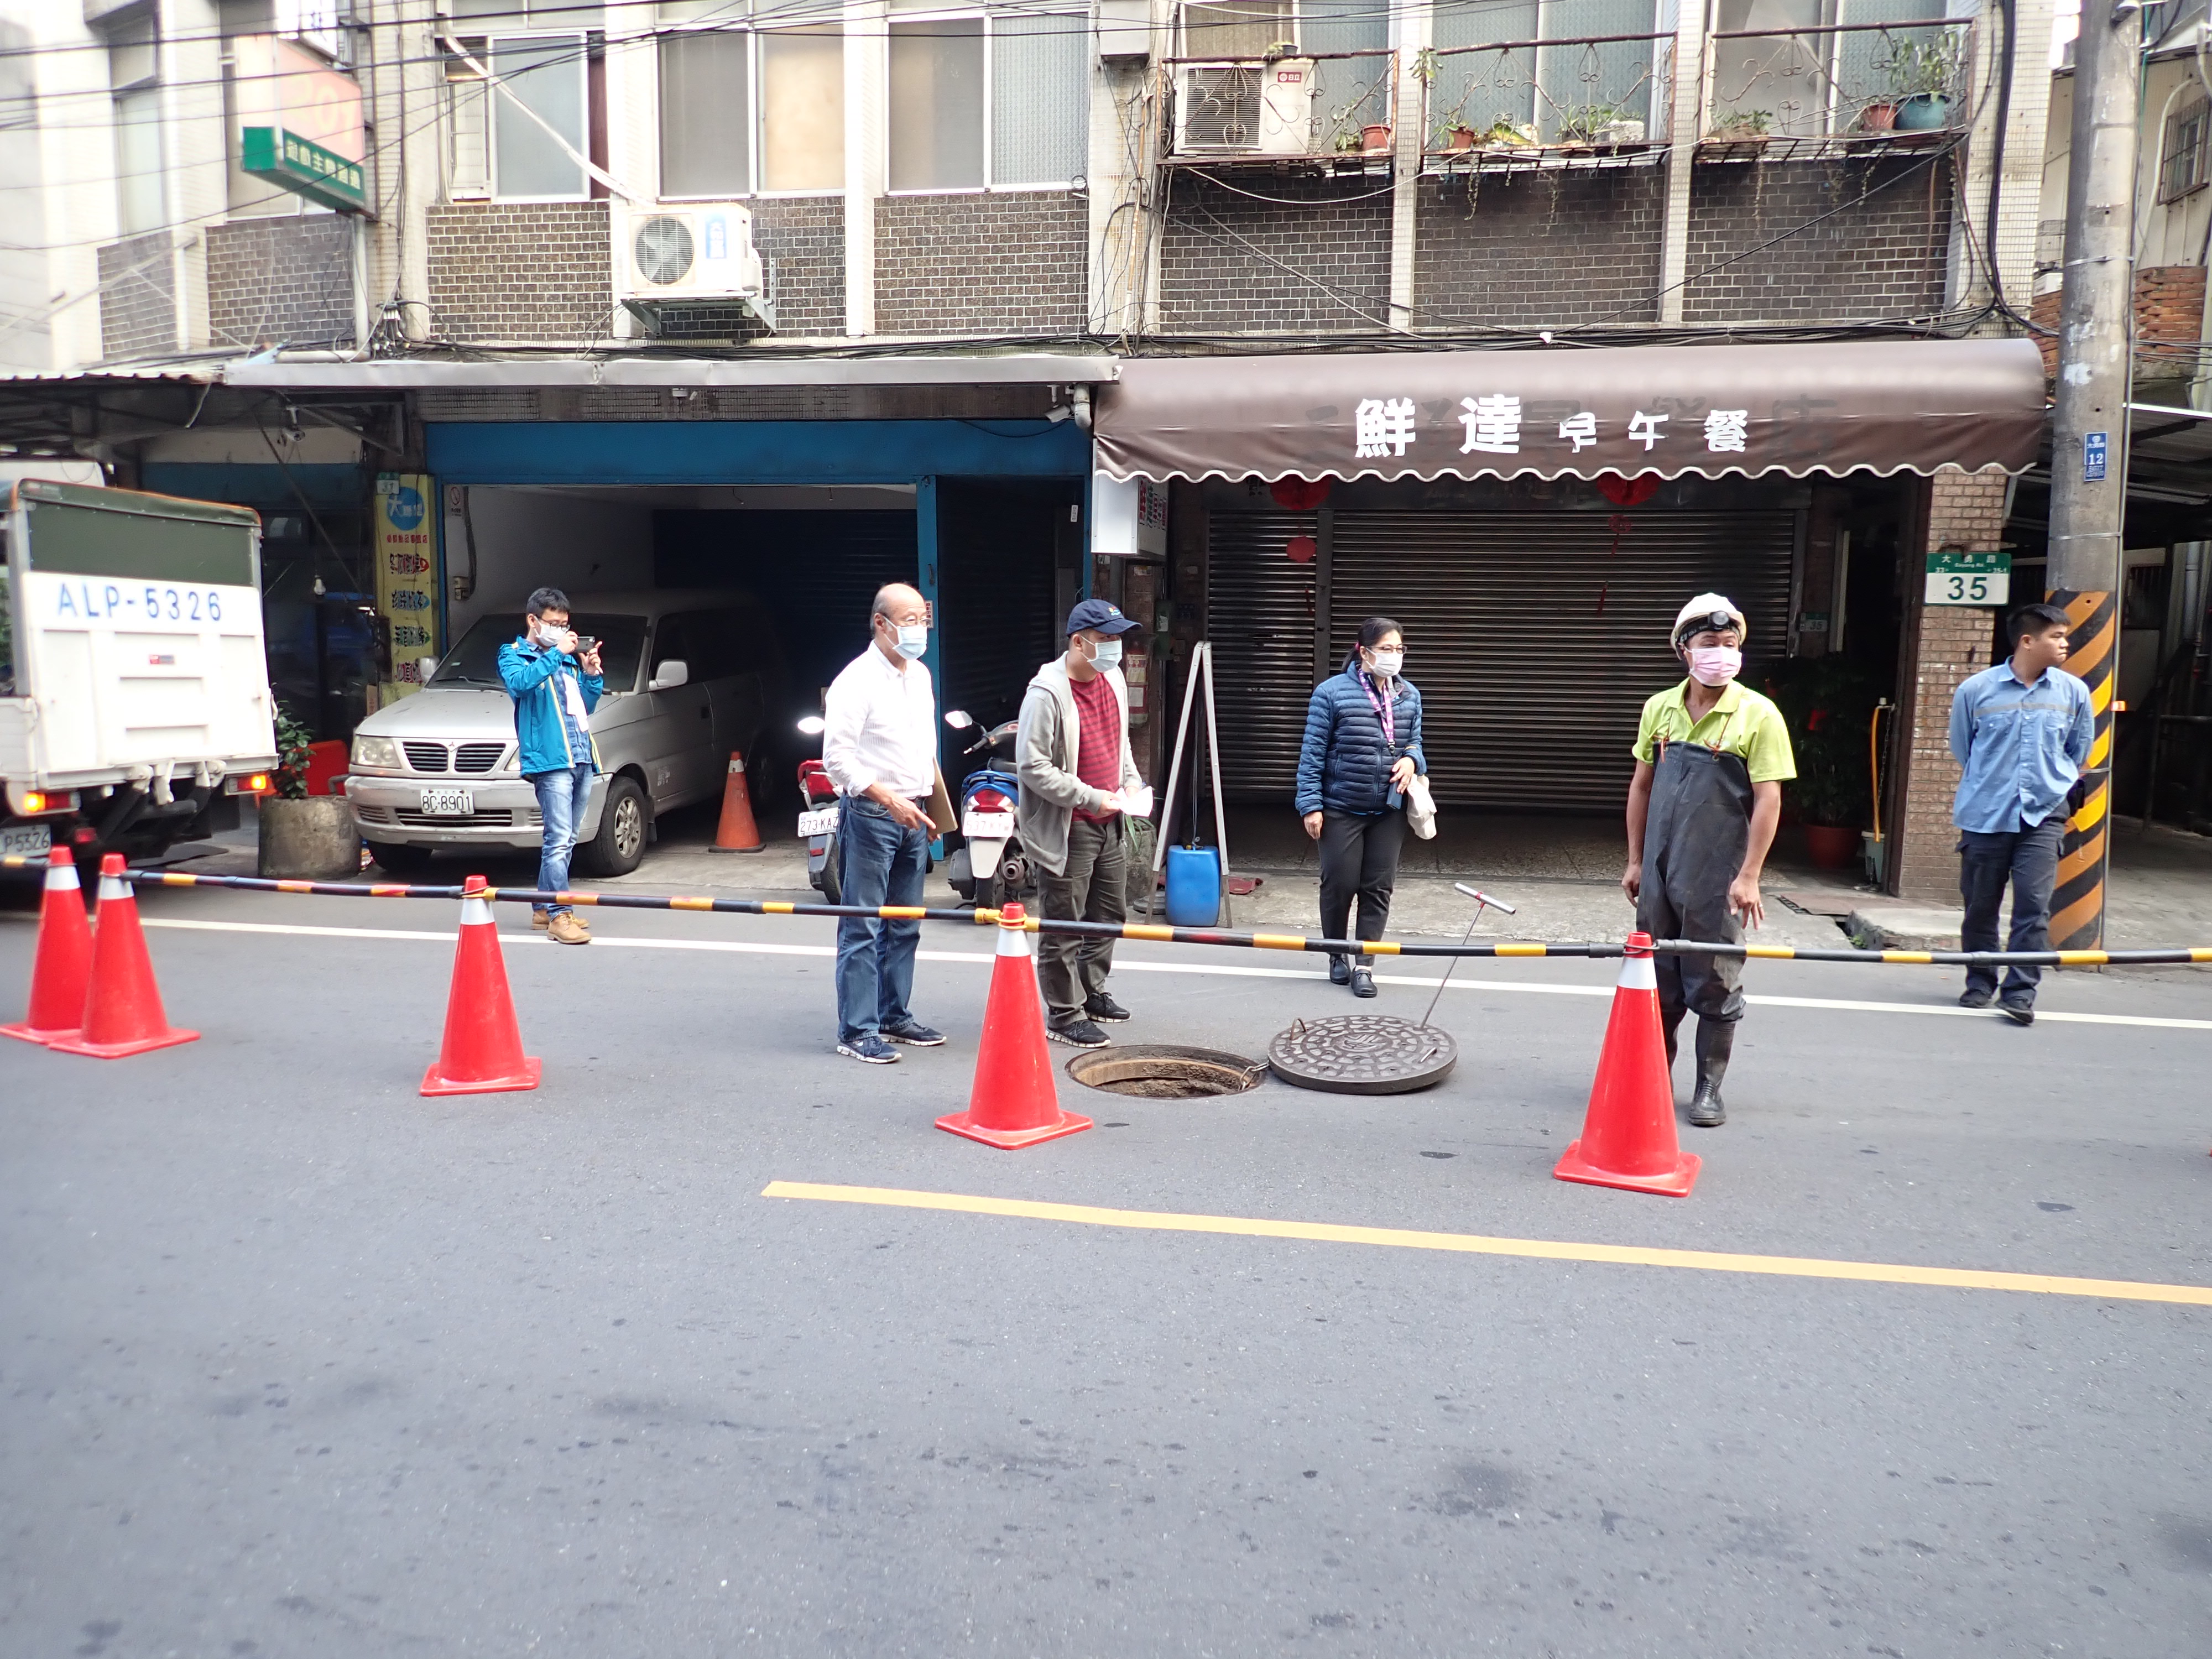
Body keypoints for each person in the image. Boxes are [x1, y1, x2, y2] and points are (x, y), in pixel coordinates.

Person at [1621, 594, 1796, 1129]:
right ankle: (1653, 1081)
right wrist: (1633, 860)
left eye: (1729, 644)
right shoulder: (1660, 708)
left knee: (1716, 981)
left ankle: (1708, 1088)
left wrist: (1750, 876)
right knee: (1658, 981)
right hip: (1658, 871)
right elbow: (1642, 785)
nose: (1721, 653)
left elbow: (1769, 798)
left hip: (1717, 874)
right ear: (1683, 650)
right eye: (1708, 644)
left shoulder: (1757, 713)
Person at [1947, 601, 2094, 1026]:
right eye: (2057, 636)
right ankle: (1980, 982)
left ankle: (2020, 992)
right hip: (1985, 813)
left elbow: (2078, 753)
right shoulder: (1976, 691)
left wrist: (2051, 786)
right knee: (1980, 906)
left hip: (2044, 814)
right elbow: (1964, 748)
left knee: (2033, 903)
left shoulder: (2074, 694)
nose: (2065, 643)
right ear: (2028, 641)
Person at [821, 583, 947, 1064]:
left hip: (914, 811)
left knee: (906, 924)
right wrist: (887, 797)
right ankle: (856, 1029)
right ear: (881, 623)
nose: (919, 629)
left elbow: (921, 750)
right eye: (909, 619)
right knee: (863, 926)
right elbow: (837, 760)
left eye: (922, 619)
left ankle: (895, 1012)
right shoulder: (856, 680)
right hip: (874, 814)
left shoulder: (919, 676)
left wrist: (928, 806)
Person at [1018, 598, 1147, 1048]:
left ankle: (1091, 991)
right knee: (1064, 922)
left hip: (1111, 816)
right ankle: (1064, 1012)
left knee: (1110, 914)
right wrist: (1092, 796)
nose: (1117, 649)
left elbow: (1121, 742)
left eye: (1119, 638)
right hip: (1069, 822)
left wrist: (1130, 784)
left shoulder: (1111, 678)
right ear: (1079, 641)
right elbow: (1033, 766)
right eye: (1107, 639)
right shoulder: (1047, 692)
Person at [1295, 617, 1426, 998]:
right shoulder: (1331, 693)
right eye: (1386, 649)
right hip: (1340, 807)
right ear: (1363, 652)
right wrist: (1310, 805)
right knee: (1340, 884)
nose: (1394, 657)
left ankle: (1365, 965)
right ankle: (1337, 954)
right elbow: (1312, 753)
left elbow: (1416, 742)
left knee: (1378, 887)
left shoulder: (1409, 695)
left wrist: (1412, 760)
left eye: (1400, 650)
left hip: (1390, 807)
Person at [497, 586, 603, 947]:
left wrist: (590, 674)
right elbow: (520, 686)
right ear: (533, 621)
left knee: (568, 839)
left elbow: (584, 708)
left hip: (581, 756)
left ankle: (544, 907)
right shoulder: (514, 655)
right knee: (557, 839)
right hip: (550, 761)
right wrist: (556, 654)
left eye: (564, 624)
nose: (560, 630)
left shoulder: (570, 659)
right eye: (553, 623)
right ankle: (560, 916)